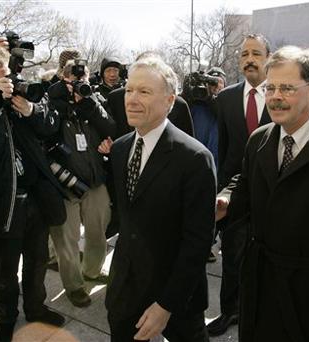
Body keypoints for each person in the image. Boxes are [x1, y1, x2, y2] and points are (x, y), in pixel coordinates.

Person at [222, 45, 309, 342]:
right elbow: (245, 182)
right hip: (261, 288)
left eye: (288, 88)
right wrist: (227, 198)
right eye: (270, 88)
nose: (276, 97)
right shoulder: (259, 139)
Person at [106, 57, 216, 342]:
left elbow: (198, 242)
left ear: (169, 100)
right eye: (129, 90)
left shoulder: (195, 158)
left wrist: (167, 304)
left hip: (178, 298)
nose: (131, 99)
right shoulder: (119, 150)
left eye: (144, 92)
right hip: (125, 289)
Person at [0, 45, 67, 341]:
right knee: (5, 270)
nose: (7, 85)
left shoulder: (21, 99)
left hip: (35, 196)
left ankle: (36, 308)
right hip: (4, 202)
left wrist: (32, 110)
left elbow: (51, 127)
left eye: (8, 79)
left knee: (37, 261)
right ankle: (8, 316)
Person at [207, 33, 272, 336]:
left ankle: (259, 312)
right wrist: (221, 191)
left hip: (273, 194)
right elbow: (226, 148)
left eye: (256, 53)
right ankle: (229, 311)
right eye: (244, 54)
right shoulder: (226, 97)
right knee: (232, 258)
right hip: (234, 194)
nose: (249, 59)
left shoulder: (279, 95)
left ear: (267, 59)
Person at [47, 60, 116, 308]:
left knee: (98, 231)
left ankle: (93, 271)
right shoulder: (51, 102)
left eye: (84, 79)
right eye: (74, 81)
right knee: (67, 239)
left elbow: (110, 127)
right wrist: (59, 100)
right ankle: (74, 285)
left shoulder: (94, 100)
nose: (79, 84)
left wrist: (88, 103)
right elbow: (44, 131)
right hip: (65, 183)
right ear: (62, 79)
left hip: (95, 179)